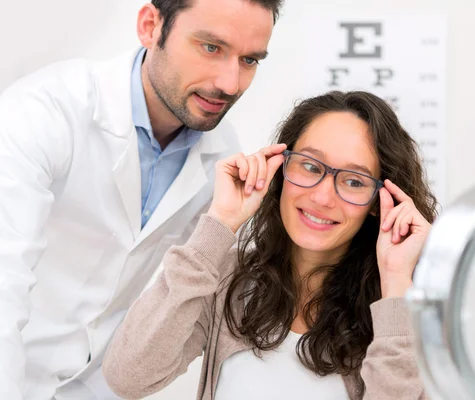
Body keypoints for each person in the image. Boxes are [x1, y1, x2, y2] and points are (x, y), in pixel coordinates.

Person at [0, 0, 282, 398]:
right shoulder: (43, 113)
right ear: (151, 25)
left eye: (249, 59)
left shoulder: (222, 155)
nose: (230, 83)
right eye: (211, 47)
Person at [103, 90, 438, 399]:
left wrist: (396, 286)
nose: (322, 196)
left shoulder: (404, 320)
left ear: (380, 202)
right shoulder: (225, 279)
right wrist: (219, 223)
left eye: (353, 181)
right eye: (310, 165)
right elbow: (128, 376)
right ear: (280, 167)